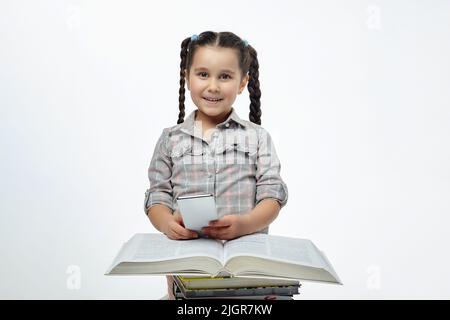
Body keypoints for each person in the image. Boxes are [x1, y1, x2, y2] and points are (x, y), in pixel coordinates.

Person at [143, 31, 288, 299]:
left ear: (243, 82)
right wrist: (166, 223)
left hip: (247, 271)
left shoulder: (257, 137)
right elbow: (157, 195)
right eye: (203, 74)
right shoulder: (170, 139)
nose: (213, 86)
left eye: (225, 76)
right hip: (189, 269)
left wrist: (245, 223)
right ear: (187, 77)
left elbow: (272, 196)